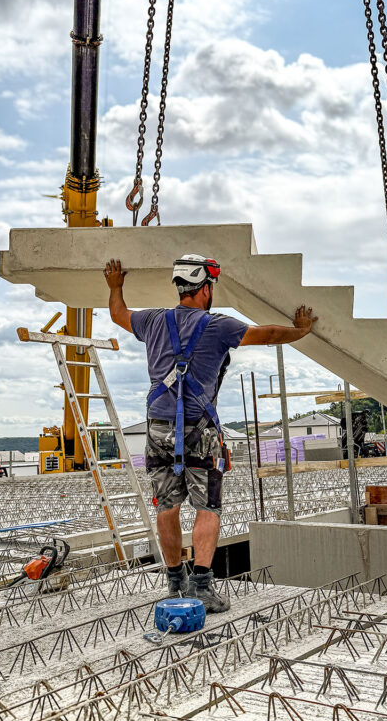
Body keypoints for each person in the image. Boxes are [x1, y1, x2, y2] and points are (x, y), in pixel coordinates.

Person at [104, 254, 318, 612]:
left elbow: (118, 314)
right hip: (198, 430)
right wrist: (301, 330)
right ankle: (201, 585)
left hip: (157, 430)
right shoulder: (218, 326)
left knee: (166, 508)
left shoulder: (153, 320)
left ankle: (175, 585)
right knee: (208, 508)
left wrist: (116, 286)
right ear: (205, 289)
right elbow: (266, 335)